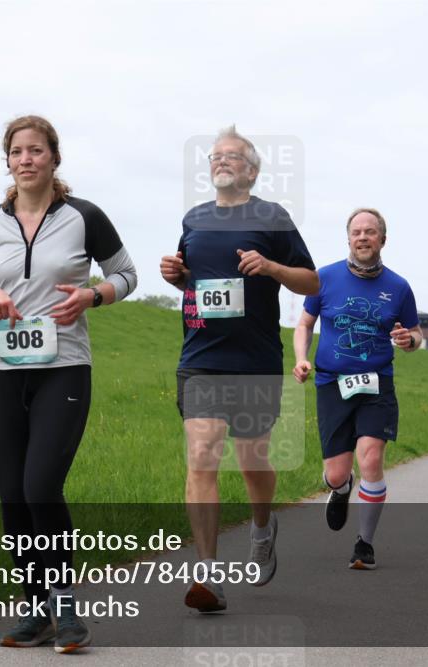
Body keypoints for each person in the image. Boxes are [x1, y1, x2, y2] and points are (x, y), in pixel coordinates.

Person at [0, 115, 137, 653]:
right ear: (7, 161)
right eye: (16, 151)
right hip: (2, 372)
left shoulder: (84, 217)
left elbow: (126, 273)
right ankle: (35, 610)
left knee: (40, 488)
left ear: (55, 158)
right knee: (12, 496)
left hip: (64, 368)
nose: (26, 159)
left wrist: (93, 296)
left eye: (36, 150)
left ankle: (65, 608)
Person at [159, 125, 317, 613]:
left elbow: (310, 281)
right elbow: (194, 280)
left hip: (255, 361)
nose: (221, 161)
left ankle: (263, 525)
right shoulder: (195, 218)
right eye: (214, 156)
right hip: (202, 358)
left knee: (252, 462)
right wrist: (177, 276)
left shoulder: (272, 217)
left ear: (252, 169)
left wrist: (271, 268)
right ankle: (208, 574)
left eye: (232, 156)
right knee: (202, 452)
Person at [293, 207, 420, 570]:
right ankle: (341, 487)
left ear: (383, 239)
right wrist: (301, 358)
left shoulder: (398, 287)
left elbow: (415, 335)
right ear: (348, 238)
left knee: (372, 457)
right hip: (331, 382)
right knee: (335, 473)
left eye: (370, 231)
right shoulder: (324, 278)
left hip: (377, 382)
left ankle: (364, 544)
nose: (363, 237)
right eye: (356, 232)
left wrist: (408, 341)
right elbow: (304, 324)